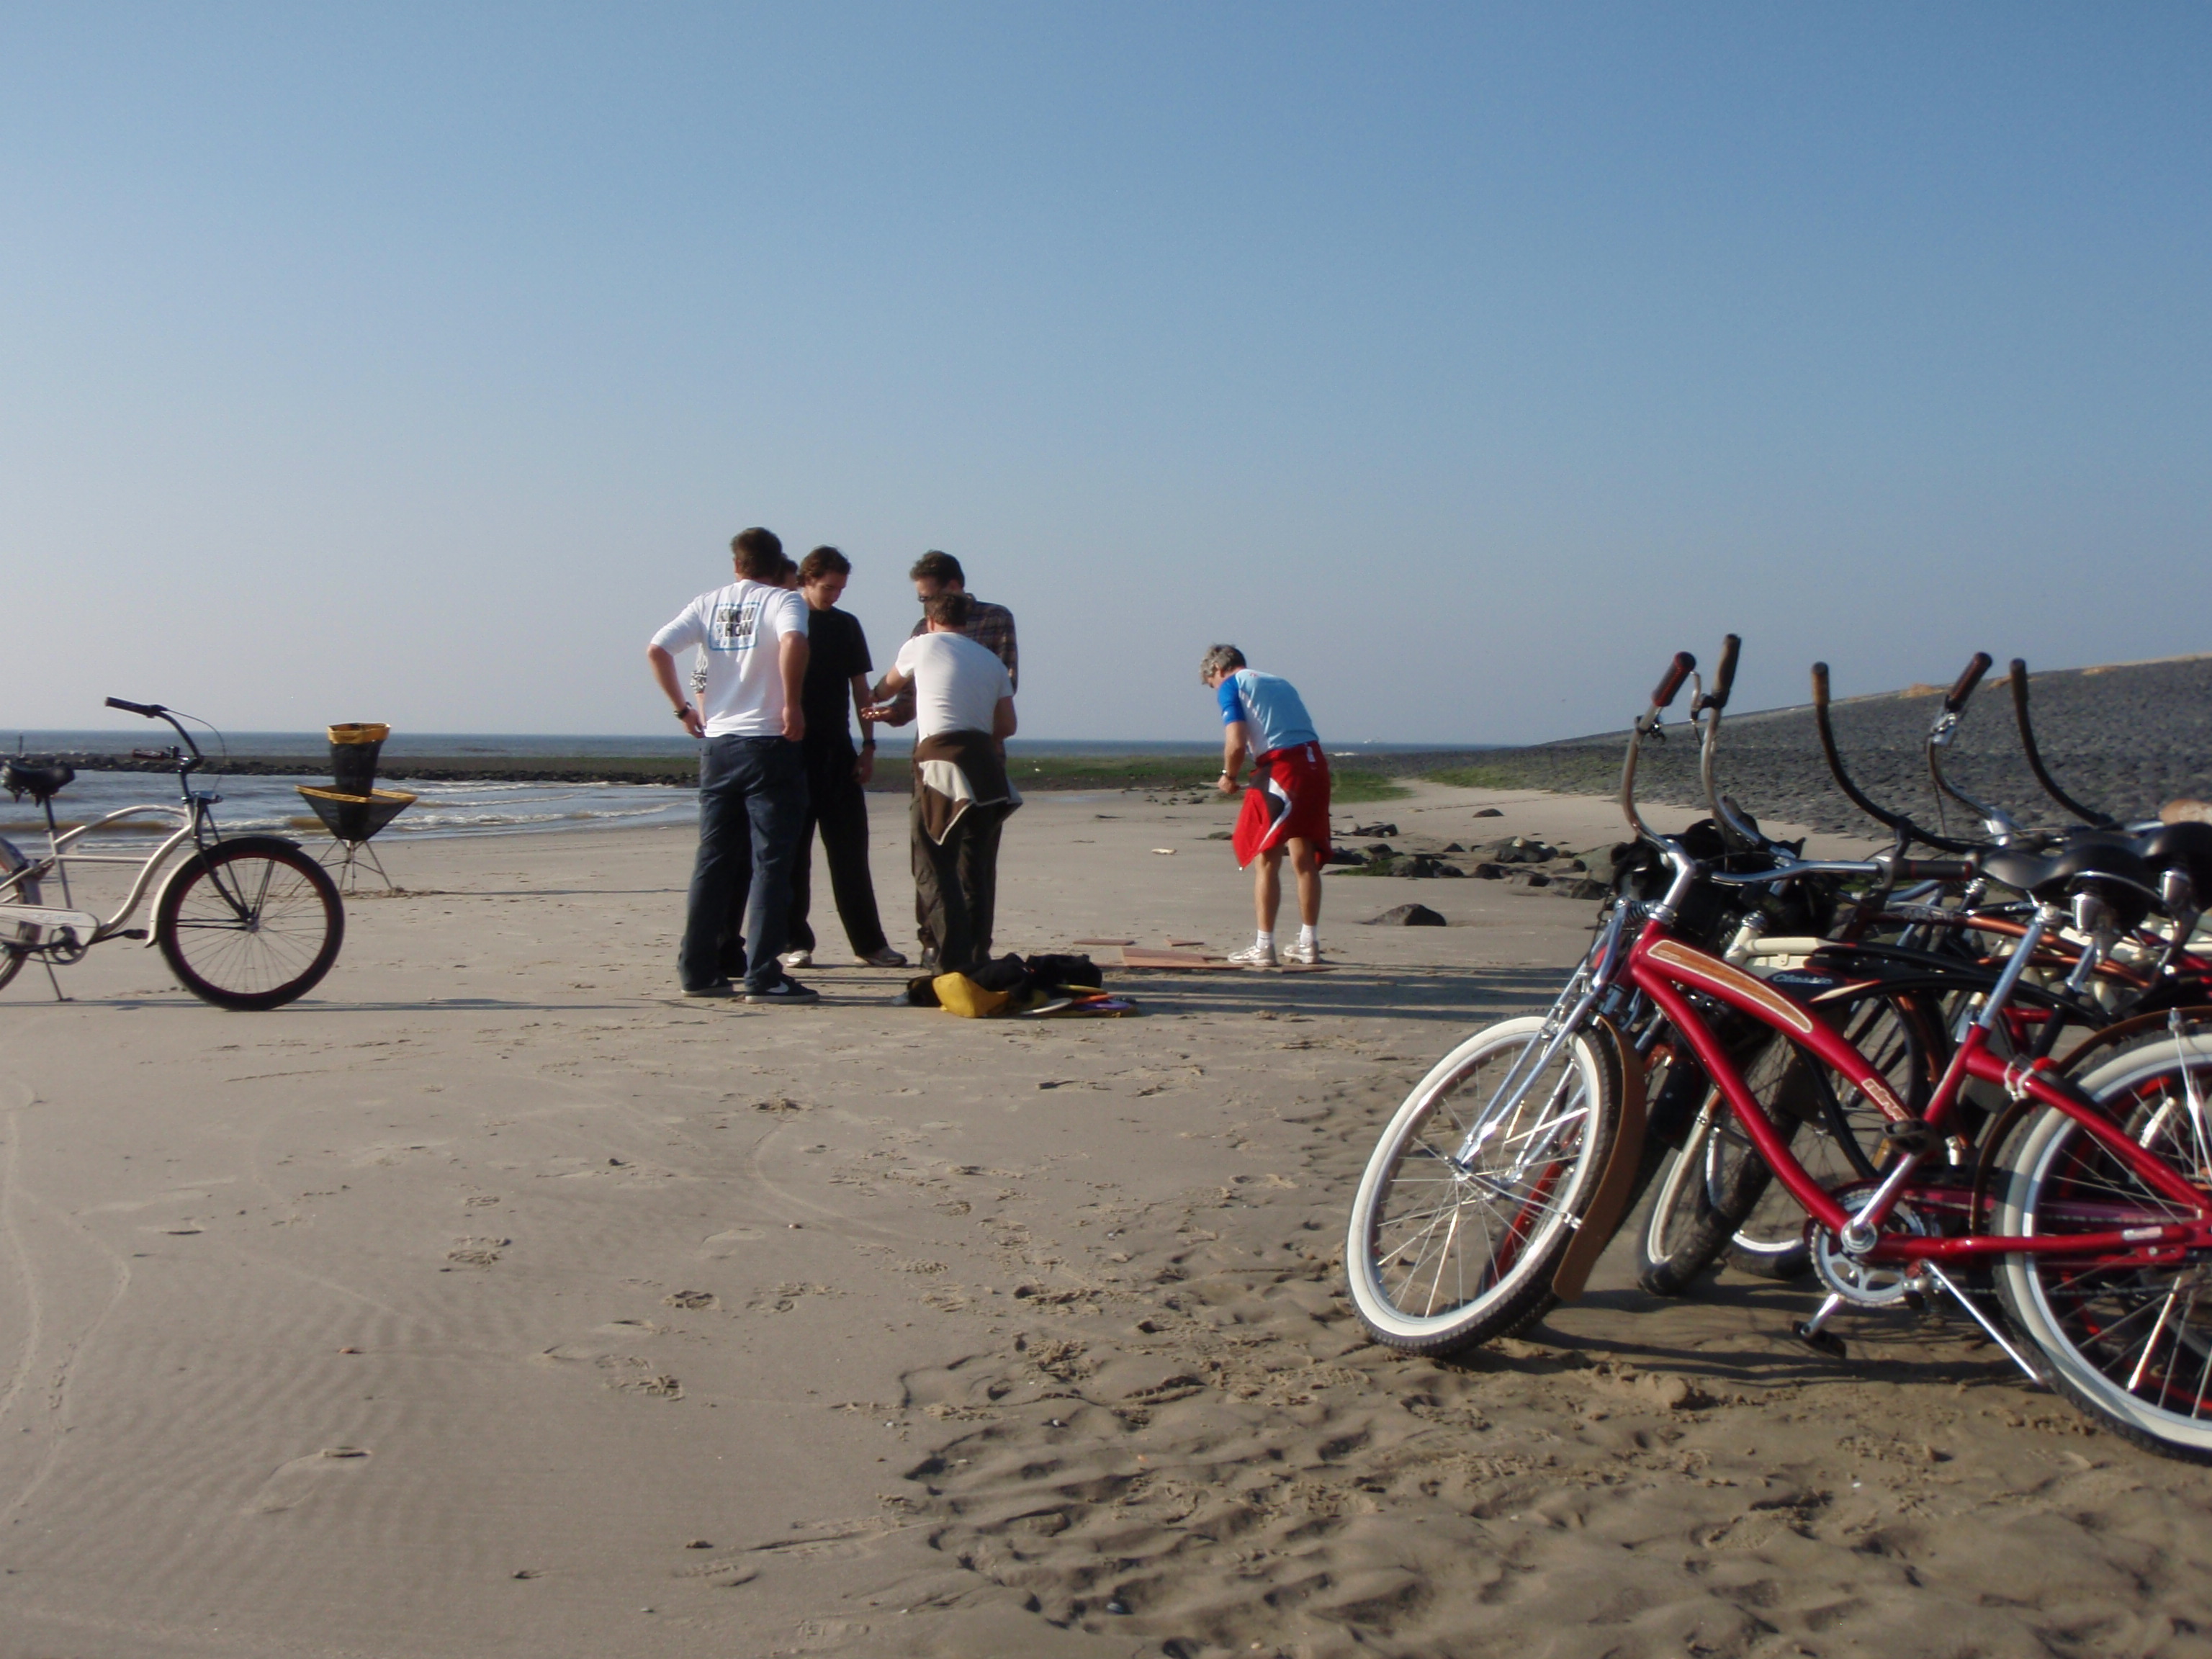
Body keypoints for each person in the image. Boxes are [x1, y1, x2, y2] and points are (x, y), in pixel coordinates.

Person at [645, 527, 819, 1004]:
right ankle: (763, 975)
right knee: (771, 862)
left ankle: (697, 969)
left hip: (719, 744)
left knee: (713, 860)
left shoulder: (708, 603)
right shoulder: (784, 600)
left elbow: (658, 649)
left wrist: (683, 709)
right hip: (766, 741)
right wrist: (792, 703)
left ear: (737, 564)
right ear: (776, 564)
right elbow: (794, 642)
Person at [865, 591, 1018, 976]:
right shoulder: (991, 661)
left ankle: (950, 962)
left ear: (930, 620)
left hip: (940, 763)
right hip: (986, 768)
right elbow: (1006, 726)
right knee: (975, 869)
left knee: (933, 865)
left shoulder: (921, 645)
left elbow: (888, 687)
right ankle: (977, 955)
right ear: (965, 621)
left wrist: (871, 698)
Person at [778, 547, 907, 970]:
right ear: (806, 580)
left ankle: (869, 944)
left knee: (851, 852)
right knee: (794, 855)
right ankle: (795, 942)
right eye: (828, 588)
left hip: (838, 751)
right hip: (791, 750)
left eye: (840, 589)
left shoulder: (846, 624)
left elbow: (860, 688)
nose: (834, 595)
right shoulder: (784, 618)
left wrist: (869, 746)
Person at [1201, 644, 1330, 967]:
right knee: (1304, 858)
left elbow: (1236, 741)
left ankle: (1264, 946)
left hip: (1282, 768)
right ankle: (1309, 943)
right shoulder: (1279, 681)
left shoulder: (1231, 685)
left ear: (1217, 669)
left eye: (1211, 684)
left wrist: (1228, 776)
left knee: (1267, 858)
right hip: (1314, 764)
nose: (1215, 690)